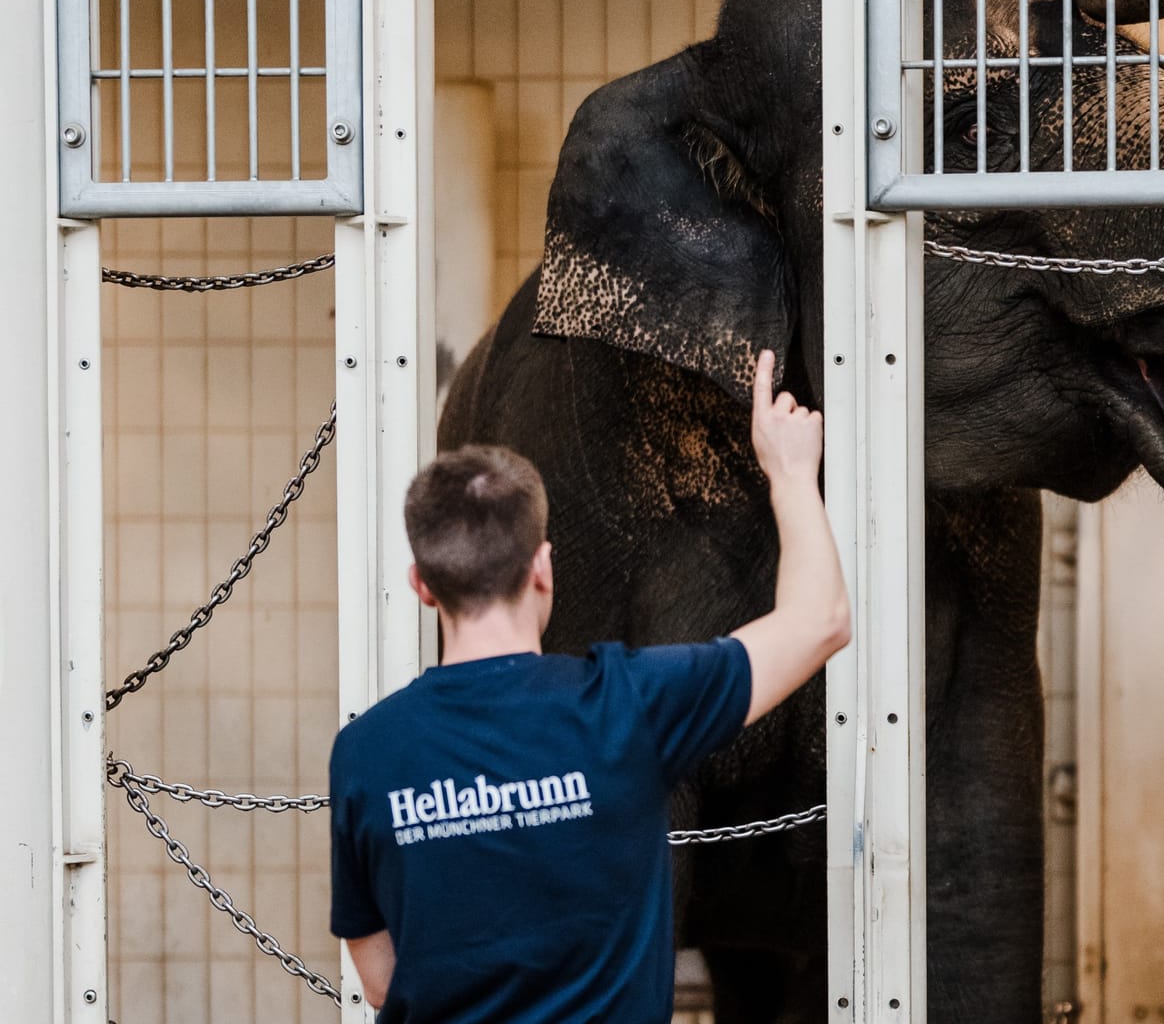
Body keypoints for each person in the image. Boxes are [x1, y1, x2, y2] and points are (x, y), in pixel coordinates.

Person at [328, 350, 850, 1021]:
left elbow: (379, 979)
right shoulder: (627, 704)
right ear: (543, 568)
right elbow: (821, 621)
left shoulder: (365, 751)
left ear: (422, 586)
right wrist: (791, 473)